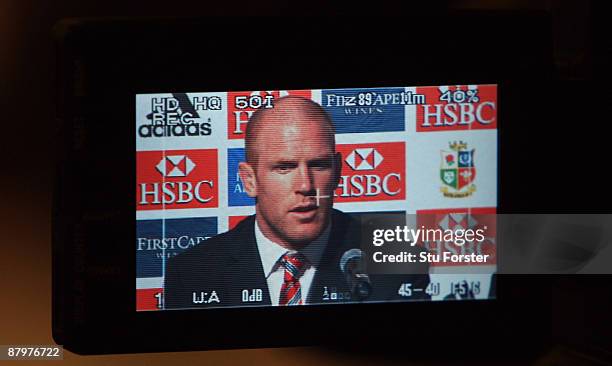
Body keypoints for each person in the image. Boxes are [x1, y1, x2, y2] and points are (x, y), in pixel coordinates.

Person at [164, 96, 429, 309]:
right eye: (284, 167)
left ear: (337, 172)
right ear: (249, 180)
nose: (305, 185)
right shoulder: (192, 271)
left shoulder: (398, 258)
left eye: (319, 165)